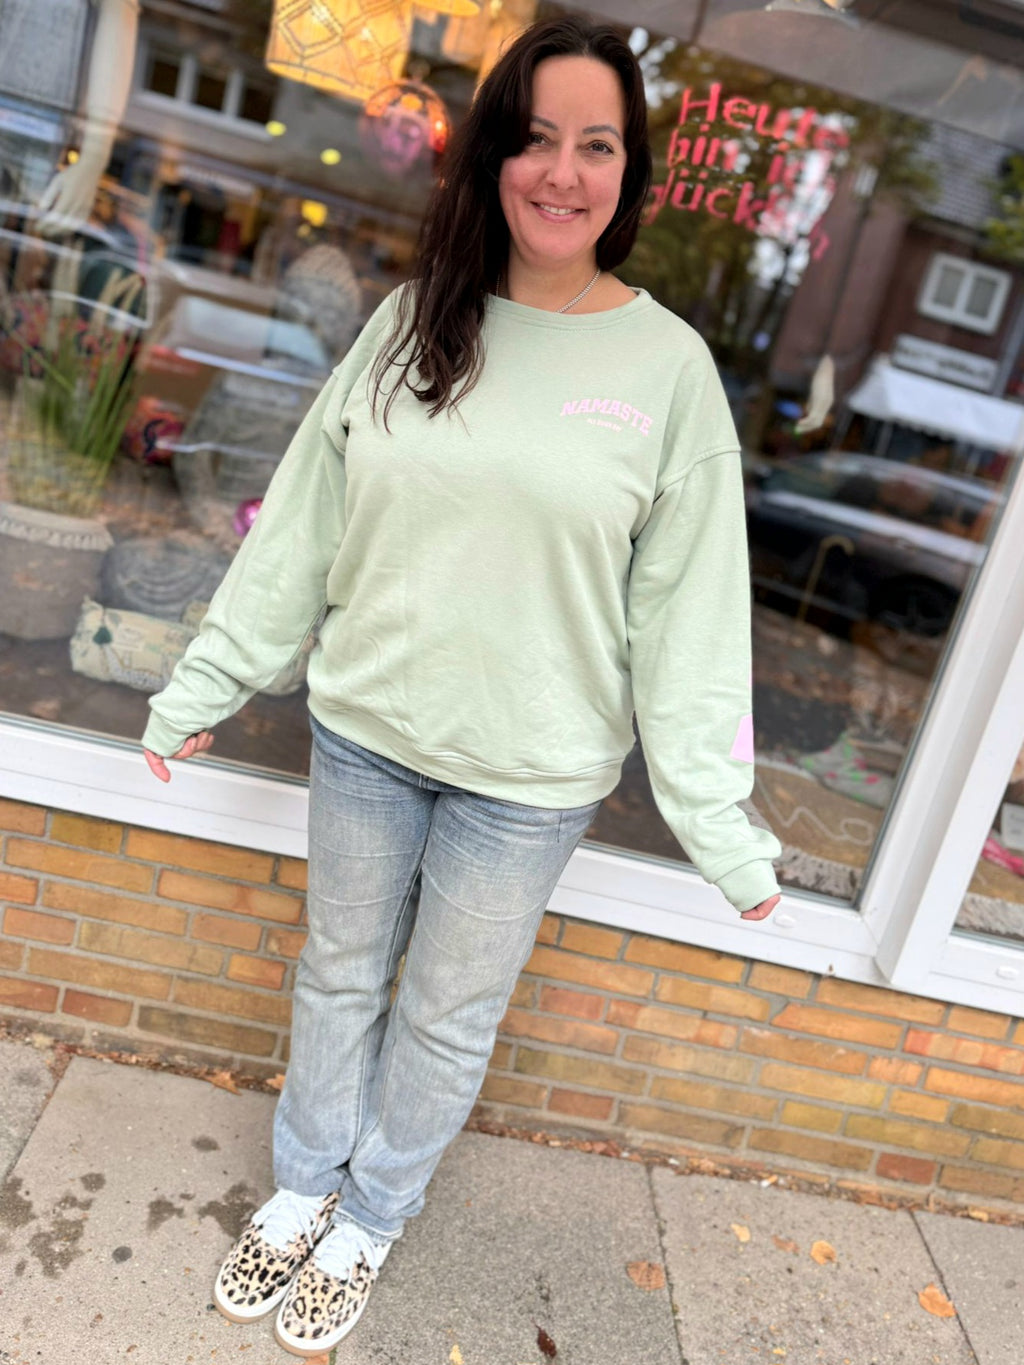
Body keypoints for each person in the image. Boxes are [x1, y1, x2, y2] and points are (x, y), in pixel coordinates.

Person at [141, 16, 782, 1356]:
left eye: (596, 144)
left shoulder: (667, 372)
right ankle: (302, 1186)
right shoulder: (410, 317)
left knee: (443, 1015)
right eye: (536, 137)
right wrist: (208, 680)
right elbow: (305, 524)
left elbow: (689, 618)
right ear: (492, 153)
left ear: (630, 171)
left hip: (527, 779)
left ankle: (372, 1214)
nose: (563, 171)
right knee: (337, 974)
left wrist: (717, 821)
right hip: (366, 729)